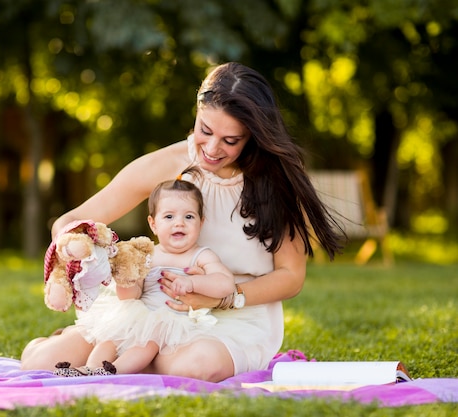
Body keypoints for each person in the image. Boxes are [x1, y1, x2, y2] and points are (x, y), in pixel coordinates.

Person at [21, 62, 343, 382]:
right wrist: (77, 246)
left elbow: (291, 276)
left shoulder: (277, 181)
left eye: (230, 140)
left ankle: (129, 363)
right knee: (43, 364)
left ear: (254, 136)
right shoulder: (168, 163)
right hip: (148, 306)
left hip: (234, 314)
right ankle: (93, 350)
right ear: (197, 111)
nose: (213, 149)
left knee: (196, 368)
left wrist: (224, 296)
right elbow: (72, 221)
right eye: (205, 130)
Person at [53, 177, 236, 376]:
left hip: (171, 322)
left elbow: (225, 283)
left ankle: (114, 371)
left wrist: (193, 282)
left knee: (150, 341)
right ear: (153, 224)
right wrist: (126, 280)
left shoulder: (201, 256)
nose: (179, 224)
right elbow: (131, 295)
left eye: (189, 217)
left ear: (201, 223)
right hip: (139, 314)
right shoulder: (148, 255)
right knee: (111, 338)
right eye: (169, 217)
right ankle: (90, 369)